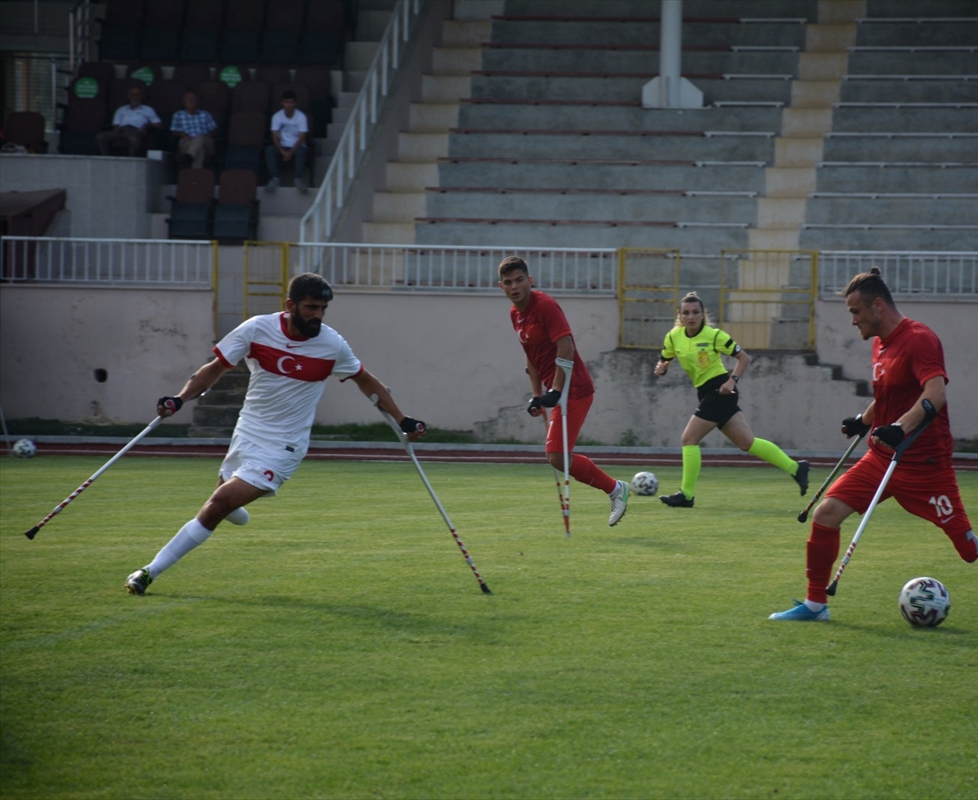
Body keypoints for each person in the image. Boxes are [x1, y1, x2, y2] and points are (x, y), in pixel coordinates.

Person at [124, 273, 426, 595]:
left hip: (285, 445)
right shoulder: (257, 329)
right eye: (311, 307)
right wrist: (179, 399)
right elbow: (214, 368)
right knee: (226, 502)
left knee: (218, 504)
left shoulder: (332, 344)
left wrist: (403, 419)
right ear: (290, 305)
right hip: (248, 431)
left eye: (323, 308)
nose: (318, 315)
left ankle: (148, 572)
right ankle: (234, 511)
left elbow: (366, 381)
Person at [770, 267, 978, 622]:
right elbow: (891, 395)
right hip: (882, 458)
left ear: (878, 306)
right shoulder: (880, 344)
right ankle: (815, 605)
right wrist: (864, 419)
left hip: (925, 467)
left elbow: (936, 393)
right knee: (825, 514)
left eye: (856, 312)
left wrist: (900, 428)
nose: (853, 321)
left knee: (969, 550)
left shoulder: (919, 339)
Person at [498, 256, 630, 527]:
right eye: (509, 282)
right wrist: (537, 395)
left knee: (556, 456)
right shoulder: (515, 314)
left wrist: (556, 390)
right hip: (557, 388)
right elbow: (531, 356)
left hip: (575, 387)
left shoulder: (545, 305)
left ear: (529, 281)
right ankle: (616, 489)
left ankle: (617, 490)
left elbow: (566, 347)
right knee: (557, 456)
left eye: (519, 280)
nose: (515, 287)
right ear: (501, 287)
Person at [653, 292, 809, 507]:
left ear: (702, 314)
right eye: (686, 313)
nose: (691, 317)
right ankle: (795, 468)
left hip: (720, 391)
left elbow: (744, 357)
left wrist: (732, 381)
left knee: (688, 439)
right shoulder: (673, 337)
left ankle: (686, 495)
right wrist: (661, 368)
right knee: (747, 443)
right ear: (679, 315)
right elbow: (665, 359)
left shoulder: (714, 335)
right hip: (707, 393)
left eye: (696, 312)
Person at [97, 85, 162, 157]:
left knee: (133, 139)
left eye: (138, 95)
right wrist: (117, 128)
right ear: (129, 96)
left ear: (141, 96)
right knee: (101, 137)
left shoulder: (148, 110)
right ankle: (105, 158)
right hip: (121, 130)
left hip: (136, 131)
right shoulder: (121, 109)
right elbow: (116, 124)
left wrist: (148, 125)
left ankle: (132, 160)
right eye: (133, 94)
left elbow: (159, 125)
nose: (136, 97)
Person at [265, 90, 308, 193]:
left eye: (291, 102)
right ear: (282, 103)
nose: (289, 105)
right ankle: (275, 178)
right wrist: (282, 151)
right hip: (283, 145)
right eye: (286, 102)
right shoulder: (276, 116)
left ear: (295, 103)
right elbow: (274, 136)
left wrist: (290, 152)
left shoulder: (301, 117)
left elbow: (302, 137)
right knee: (269, 150)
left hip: (296, 146)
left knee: (302, 151)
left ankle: (298, 179)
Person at [170, 90, 219, 169]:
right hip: (187, 142)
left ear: (197, 102)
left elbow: (215, 131)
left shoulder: (205, 114)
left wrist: (205, 136)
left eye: (193, 99)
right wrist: (182, 134)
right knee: (200, 151)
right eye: (188, 99)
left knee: (200, 138)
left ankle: (190, 156)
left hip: (206, 142)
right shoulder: (178, 114)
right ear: (183, 102)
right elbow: (174, 132)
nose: (191, 101)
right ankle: (195, 173)